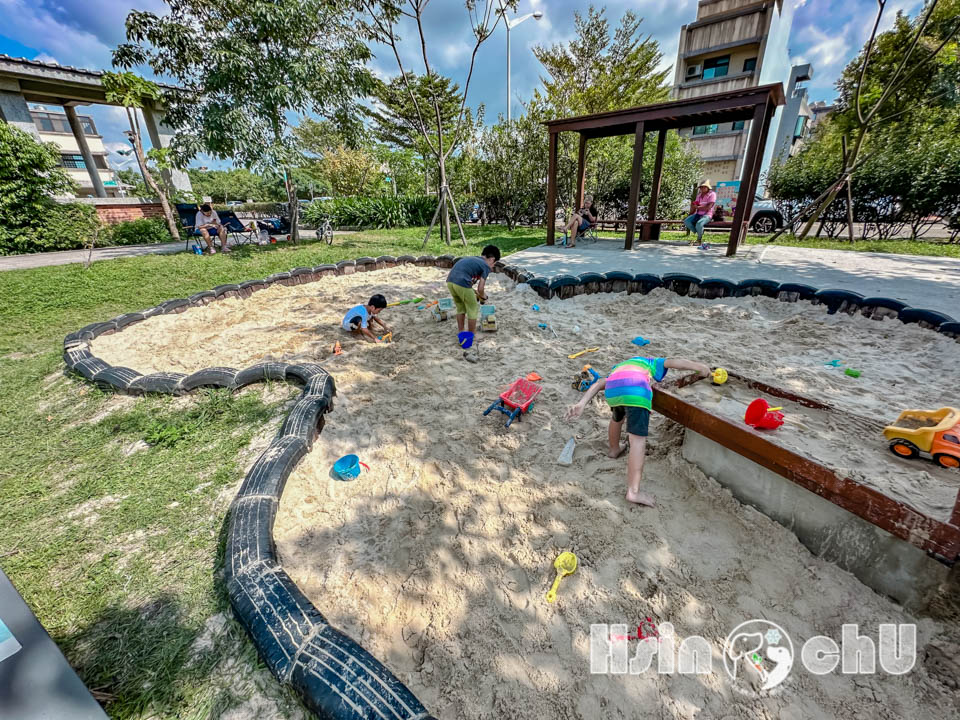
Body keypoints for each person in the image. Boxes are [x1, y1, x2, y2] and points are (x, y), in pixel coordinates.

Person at [565, 355, 711, 507]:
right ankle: (633, 492)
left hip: (614, 390)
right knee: (637, 441)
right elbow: (677, 362)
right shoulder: (650, 362)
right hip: (636, 391)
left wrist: (581, 403)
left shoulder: (618, 369)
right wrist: (700, 367)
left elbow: (600, 383)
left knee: (617, 418)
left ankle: (614, 450)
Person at [446, 244, 501, 336]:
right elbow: (480, 288)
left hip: (450, 282)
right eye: (494, 264)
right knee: (473, 308)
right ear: (492, 259)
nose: (492, 266)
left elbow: (468, 282)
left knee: (460, 307)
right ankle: (471, 333)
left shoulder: (474, 259)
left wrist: (475, 292)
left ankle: (461, 331)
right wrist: (483, 296)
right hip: (462, 283)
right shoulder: (485, 266)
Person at [683, 181, 717, 245]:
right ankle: (699, 232)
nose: (702, 188)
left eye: (704, 187)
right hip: (698, 214)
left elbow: (708, 207)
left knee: (699, 224)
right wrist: (691, 212)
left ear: (708, 188)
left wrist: (698, 207)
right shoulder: (699, 195)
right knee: (686, 221)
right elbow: (695, 205)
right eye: (701, 187)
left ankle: (699, 239)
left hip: (707, 214)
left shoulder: (712, 194)